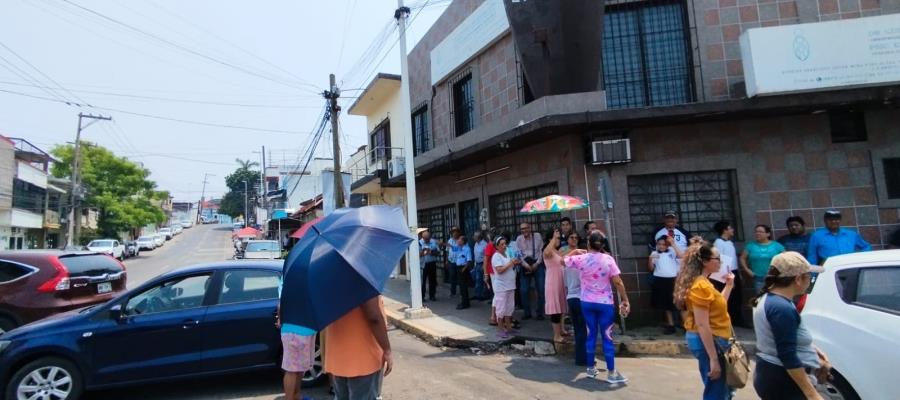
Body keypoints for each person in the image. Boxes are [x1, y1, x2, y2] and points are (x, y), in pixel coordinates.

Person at [752, 252, 831, 400]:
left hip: (774, 376)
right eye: (809, 276)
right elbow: (787, 355)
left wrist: (813, 351)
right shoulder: (781, 308)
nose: (811, 281)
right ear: (798, 279)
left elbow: (784, 337)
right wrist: (812, 394)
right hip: (783, 382)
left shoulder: (775, 299)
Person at [565, 233, 630, 384]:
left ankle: (590, 368)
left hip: (586, 302)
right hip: (605, 303)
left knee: (590, 334)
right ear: (602, 245)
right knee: (607, 336)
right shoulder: (608, 260)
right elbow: (618, 282)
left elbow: (563, 261)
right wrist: (625, 299)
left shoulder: (581, 259)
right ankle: (612, 373)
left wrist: (574, 251)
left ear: (588, 244)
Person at [674, 243, 735, 400]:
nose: (720, 262)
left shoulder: (704, 282)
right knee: (716, 390)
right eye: (717, 258)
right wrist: (713, 359)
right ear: (705, 262)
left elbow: (718, 307)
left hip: (713, 339)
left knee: (721, 388)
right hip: (710, 340)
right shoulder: (700, 286)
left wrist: (728, 286)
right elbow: (702, 324)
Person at [324, 296, 392, 400]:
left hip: (337, 355)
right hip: (362, 357)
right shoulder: (363, 280)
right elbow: (373, 315)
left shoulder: (328, 281)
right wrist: (387, 349)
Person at [276, 279, 316, 400]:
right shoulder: (310, 281)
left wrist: (280, 320)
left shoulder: (288, 280)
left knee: (295, 368)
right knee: (294, 369)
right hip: (305, 329)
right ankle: (292, 396)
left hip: (291, 329)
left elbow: (280, 305)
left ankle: (296, 396)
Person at [807, 209, 872, 265]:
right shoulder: (816, 236)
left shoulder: (851, 234)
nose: (833, 222)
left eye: (836, 219)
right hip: (828, 268)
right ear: (825, 220)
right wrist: (813, 275)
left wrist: (857, 257)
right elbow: (812, 257)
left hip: (850, 267)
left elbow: (866, 246)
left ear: (840, 220)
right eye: (830, 220)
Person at [649, 235, 683, 335]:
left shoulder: (672, 251)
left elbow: (681, 255)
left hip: (672, 280)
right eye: (659, 244)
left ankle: (686, 324)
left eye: (664, 244)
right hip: (660, 281)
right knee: (666, 305)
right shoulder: (654, 253)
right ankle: (671, 325)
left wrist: (673, 243)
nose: (661, 246)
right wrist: (650, 259)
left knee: (678, 303)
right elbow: (651, 268)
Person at [713, 221, 744, 327]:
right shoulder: (718, 243)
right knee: (728, 298)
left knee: (737, 297)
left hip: (733, 271)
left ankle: (737, 319)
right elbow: (721, 260)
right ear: (725, 230)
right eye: (730, 228)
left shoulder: (729, 242)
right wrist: (728, 277)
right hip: (726, 273)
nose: (732, 230)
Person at [562, 232, 586, 365]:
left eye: (577, 238)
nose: (574, 239)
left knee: (578, 330)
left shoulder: (568, 264)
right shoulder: (582, 263)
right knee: (583, 330)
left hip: (571, 297)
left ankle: (579, 357)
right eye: (572, 237)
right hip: (580, 298)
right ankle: (583, 358)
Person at [741, 224, 785, 294]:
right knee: (760, 299)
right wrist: (747, 270)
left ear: (768, 234)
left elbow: (786, 259)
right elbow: (742, 258)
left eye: (760, 232)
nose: (757, 233)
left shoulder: (777, 246)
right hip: (758, 278)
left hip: (774, 278)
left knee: (775, 297)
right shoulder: (750, 246)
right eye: (756, 232)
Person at [542, 229, 568, 344]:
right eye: (556, 238)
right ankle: (556, 335)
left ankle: (561, 329)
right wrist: (553, 238)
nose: (558, 240)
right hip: (552, 282)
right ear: (550, 239)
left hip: (560, 281)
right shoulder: (547, 251)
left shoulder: (557, 251)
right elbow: (547, 252)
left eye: (558, 238)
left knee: (561, 307)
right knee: (555, 310)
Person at [491, 236, 520, 339]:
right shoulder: (496, 256)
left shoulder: (506, 254)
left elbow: (509, 267)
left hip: (510, 285)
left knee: (509, 307)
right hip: (501, 287)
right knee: (501, 308)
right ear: (497, 246)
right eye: (502, 244)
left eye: (505, 244)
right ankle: (500, 329)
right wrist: (510, 263)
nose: (504, 246)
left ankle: (509, 328)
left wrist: (515, 262)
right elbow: (499, 270)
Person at [516, 222, 545, 320]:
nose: (524, 230)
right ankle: (527, 312)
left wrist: (537, 263)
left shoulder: (537, 236)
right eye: (522, 229)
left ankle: (540, 313)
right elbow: (518, 254)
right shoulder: (519, 239)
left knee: (541, 288)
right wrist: (525, 265)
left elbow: (542, 251)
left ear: (530, 228)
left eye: (526, 228)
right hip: (525, 265)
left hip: (537, 263)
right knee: (523, 290)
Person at [453, 235, 473, 309]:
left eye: (459, 240)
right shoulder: (458, 248)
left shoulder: (467, 249)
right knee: (461, 287)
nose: (457, 241)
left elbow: (469, 261)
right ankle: (464, 302)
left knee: (463, 286)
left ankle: (465, 303)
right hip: (458, 268)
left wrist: (463, 269)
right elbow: (451, 247)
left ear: (463, 241)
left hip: (463, 269)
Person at [419, 230, 439, 301]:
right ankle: (422, 297)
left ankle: (432, 295)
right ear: (422, 237)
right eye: (426, 239)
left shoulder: (433, 241)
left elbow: (437, 253)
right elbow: (417, 255)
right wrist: (423, 252)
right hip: (423, 264)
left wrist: (431, 252)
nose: (427, 240)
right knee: (422, 281)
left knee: (432, 280)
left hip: (432, 263)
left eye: (428, 238)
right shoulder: (419, 243)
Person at [483, 229, 498, 326]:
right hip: (493, 272)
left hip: (498, 272)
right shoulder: (490, 245)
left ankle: (496, 316)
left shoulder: (496, 245)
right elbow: (486, 260)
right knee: (497, 295)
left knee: (498, 295)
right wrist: (486, 274)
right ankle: (493, 316)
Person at [473, 231, 489, 301]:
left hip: (483, 264)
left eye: (475, 236)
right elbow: (476, 254)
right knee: (477, 280)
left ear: (478, 237)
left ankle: (483, 295)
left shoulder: (485, 244)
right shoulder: (476, 244)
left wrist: (484, 265)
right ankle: (477, 294)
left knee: (483, 280)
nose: (473, 237)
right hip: (477, 264)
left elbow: (486, 256)